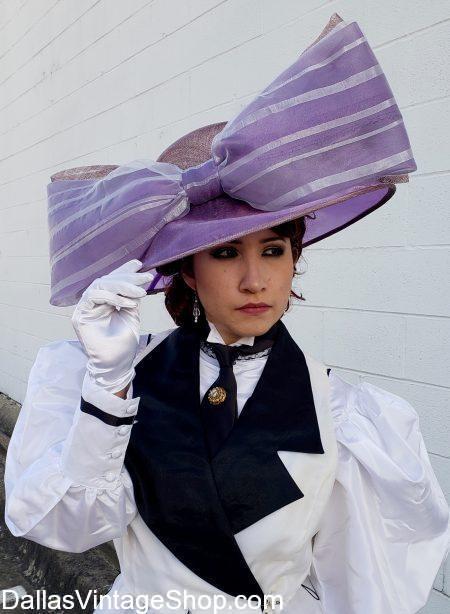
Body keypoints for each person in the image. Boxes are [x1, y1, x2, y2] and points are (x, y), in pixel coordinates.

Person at [4, 12, 449, 614]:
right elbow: (66, 527)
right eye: (224, 252)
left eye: (273, 249)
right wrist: (107, 392)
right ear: (188, 269)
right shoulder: (110, 380)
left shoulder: (345, 413)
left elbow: (366, 588)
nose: (254, 278)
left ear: (295, 258)